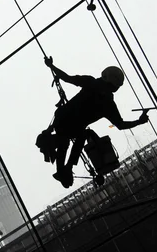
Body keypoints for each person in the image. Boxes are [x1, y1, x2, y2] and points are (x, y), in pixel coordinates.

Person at [39, 58, 149, 188]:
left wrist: (51, 66)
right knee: (79, 136)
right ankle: (66, 168)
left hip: (62, 120)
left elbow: (67, 78)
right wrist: (139, 121)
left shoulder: (91, 83)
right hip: (72, 126)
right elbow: (121, 125)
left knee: (66, 140)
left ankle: (63, 170)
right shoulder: (108, 103)